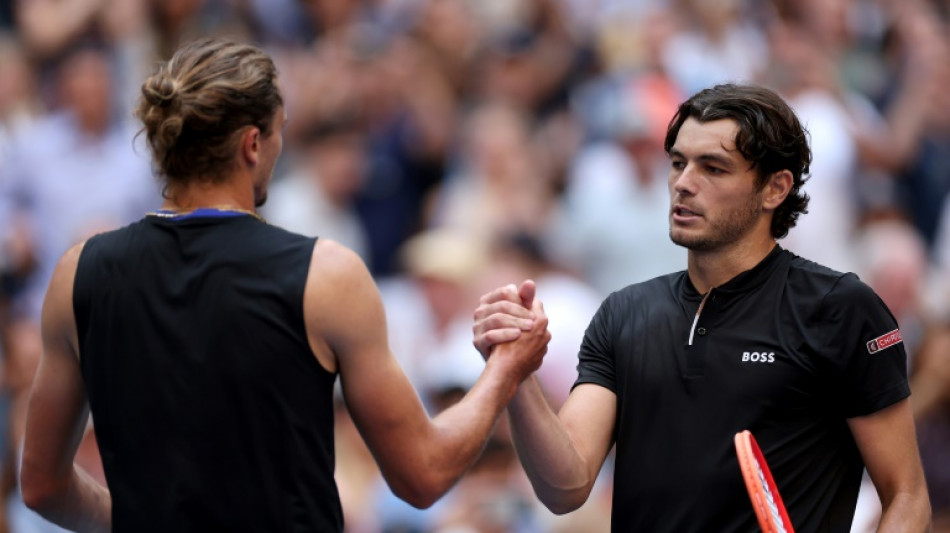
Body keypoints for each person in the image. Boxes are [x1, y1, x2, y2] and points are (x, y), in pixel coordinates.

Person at [18, 37, 550, 533]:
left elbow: (42, 486)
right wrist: (505, 369)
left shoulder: (77, 273)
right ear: (253, 142)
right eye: (279, 131)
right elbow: (424, 474)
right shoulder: (326, 275)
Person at [473, 83, 932, 531]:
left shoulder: (841, 308)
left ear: (775, 188)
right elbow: (565, 487)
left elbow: (907, 497)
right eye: (677, 163)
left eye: (713, 168)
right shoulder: (623, 312)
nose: (683, 184)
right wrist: (517, 376)